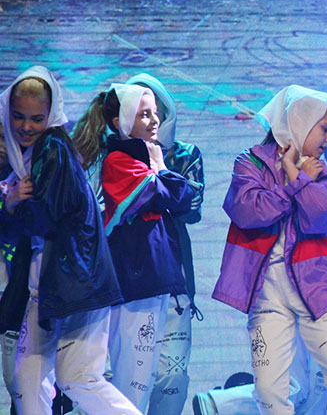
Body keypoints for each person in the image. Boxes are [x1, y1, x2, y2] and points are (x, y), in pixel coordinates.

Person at [212, 84, 327, 415]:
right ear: (299, 122)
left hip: (316, 285)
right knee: (269, 390)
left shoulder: (321, 172)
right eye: (325, 129)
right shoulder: (250, 162)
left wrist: (299, 177)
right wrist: (295, 183)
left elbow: (319, 218)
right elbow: (249, 211)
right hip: (266, 292)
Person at [0, 66, 141, 414]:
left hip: (76, 283)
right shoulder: (30, 156)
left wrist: (13, 204)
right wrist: (11, 204)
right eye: (18, 116)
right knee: (28, 378)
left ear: (50, 116)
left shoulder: (52, 149)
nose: (26, 126)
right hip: (49, 284)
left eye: (36, 118)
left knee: (79, 377)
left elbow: (44, 217)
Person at [72, 82, 194, 411]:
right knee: (131, 381)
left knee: (142, 377)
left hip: (153, 281)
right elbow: (165, 192)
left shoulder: (144, 158)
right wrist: (159, 167)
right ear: (121, 123)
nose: (154, 121)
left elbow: (184, 199)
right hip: (134, 281)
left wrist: (159, 165)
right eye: (144, 115)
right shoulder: (118, 161)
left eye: (155, 113)